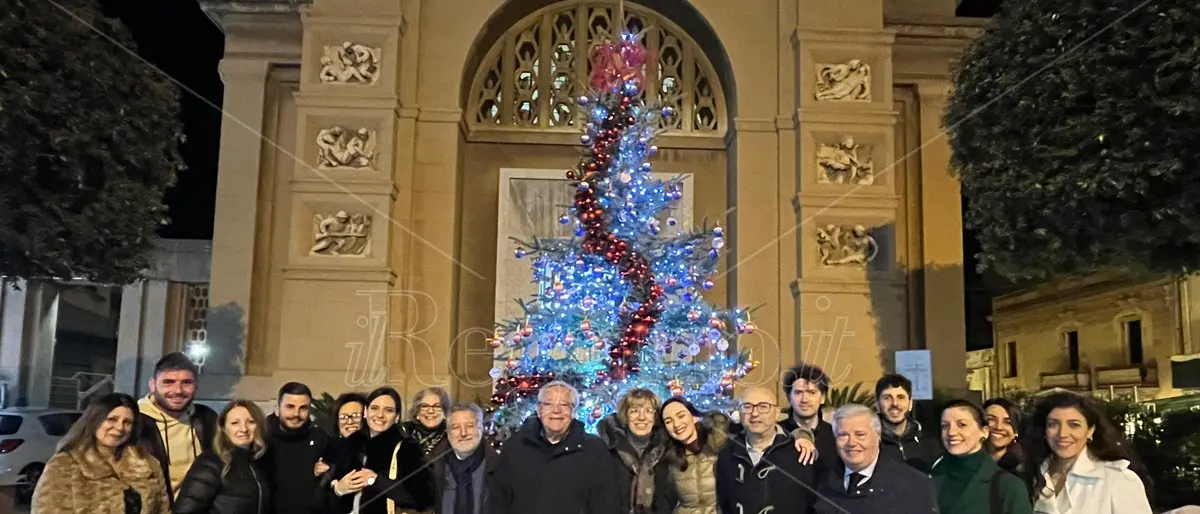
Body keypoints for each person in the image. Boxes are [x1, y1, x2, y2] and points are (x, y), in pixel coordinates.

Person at [488, 380, 619, 514]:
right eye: (548, 404)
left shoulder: (594, 450)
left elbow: (606, 504)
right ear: (539, 409)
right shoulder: (515, 446)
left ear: (573, 411)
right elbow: (498, 501)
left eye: (564, 404)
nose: (556, 411)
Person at [31, 393, 171, 514]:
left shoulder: (147, 463)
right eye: (112, 419)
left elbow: (163, 509)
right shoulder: (64, 465)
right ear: (94, 420)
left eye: (127, 422)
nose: (119, 428)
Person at [1025, 392, 1152, 514]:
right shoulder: (1031, 475)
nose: (1062, 434)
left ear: (1090, 431)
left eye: (1074, 425)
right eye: (1053, 424)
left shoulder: (1117, 479)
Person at [813, 403, 939, 514]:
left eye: (860, 434)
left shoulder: (913, 484)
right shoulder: (823, 481)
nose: (851, 442)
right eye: (843, 435)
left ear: (878, 436)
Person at [327, 387, 434, 514]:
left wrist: (375, 480)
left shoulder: (407, 448)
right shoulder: (352, 443)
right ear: (365, 412)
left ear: (397, 417)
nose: (380, 415)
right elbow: (326, 499)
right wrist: (338, 489)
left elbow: (422, 499)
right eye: (374, 408)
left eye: (388, 410)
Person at [715, 386, 815, 514]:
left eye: (763, 406)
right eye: (747, 406)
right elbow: (724, 503)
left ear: (777, 412)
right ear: (739, 413)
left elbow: (812, 504)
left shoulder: (800, 453)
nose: (755, 413)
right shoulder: (727, 454)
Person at [136, 351, 219, 502]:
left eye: (187, 382)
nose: (178, 391)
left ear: (196, 385)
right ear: (152, 384)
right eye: (168, 382)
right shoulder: (133, 422)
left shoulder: (207, 419)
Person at [930, 399, 1032, 514]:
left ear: (984, 432)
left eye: (962, 425)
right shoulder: (930, 475)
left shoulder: (1008, 486)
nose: (951, 432)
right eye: (945, 426)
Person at [172, 399, 272, 514]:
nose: (244, 429)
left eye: (251, 422)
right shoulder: (211, 462)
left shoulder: (258, 462)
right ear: (224, 427)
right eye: (235, 423)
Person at [596, 388, 674, 514]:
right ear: (625, 415)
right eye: (634, 411)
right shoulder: (607, 448)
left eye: (649, 411)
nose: (642, 417)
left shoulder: (668, 449)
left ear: (655, 417)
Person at [263, 382, 329, 514]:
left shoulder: (320, 438)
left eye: (303, 408)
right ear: (277, 409)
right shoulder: (262, 439)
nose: (296, 414)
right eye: (290, 407)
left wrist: (328, 471)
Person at [659, 397, 728, 514]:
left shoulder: (720, 446)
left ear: (694, 417)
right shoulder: (668, 458)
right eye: (668, 421)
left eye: (681, 416)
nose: (676, 424)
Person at [436, 402, 500, 514]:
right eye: (455, 427)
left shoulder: (499, 468)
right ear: (448, 433)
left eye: (470, 426)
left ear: (481, 428)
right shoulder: (435, 467)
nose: (463, 433)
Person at [781, 363, 840, 476]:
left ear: (822, 397)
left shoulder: (835, 435)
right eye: (798, 393)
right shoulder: (777, 434)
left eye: (812, 393)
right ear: (789, 397)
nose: (804, 400)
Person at [875, 373, 939, 472]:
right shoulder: (869, 443)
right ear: (878, 405)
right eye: (887, 398)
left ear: (910, 404)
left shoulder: (928, 443)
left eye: (900, 397)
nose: (895, 403)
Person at [401, 387, 452, 457]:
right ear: (417, 412)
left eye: (437, 406)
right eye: (424, 406)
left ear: (444, 412)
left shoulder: (452, 436)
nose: (430, 411)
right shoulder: (403, 433)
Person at [984, 398, 1025, 473]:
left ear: (1016, 431)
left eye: (1007, 422)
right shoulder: (965, 460)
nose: (998, 427)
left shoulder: (1024, 469)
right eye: (991, 419)